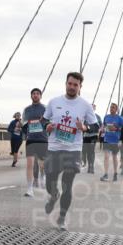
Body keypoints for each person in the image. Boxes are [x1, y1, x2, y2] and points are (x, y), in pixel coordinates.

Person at [43, 72, 97, 231]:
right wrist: (47, 125)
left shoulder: (85, 105)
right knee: (49, 182)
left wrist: (84, 127)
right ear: (65, 83)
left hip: (73, 149)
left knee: (67, 184)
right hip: (54, 148)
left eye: (76, 85)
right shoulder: (54, 102)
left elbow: (95, 126)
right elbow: (44, 120)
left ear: (80, 87)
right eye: (70, 84)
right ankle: (53, 196)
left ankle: (62, 218)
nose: (72, 87)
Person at [22, 88, 47, 197]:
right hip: (31, 139)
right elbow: (24, 124)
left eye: (37, 94)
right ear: (31, 96)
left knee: (42, 164)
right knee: (30, 164)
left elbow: (49, 123)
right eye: (33, 94)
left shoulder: (45, 109)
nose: (35, 95)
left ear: (40, 96)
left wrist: (44, 123)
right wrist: (25, 129)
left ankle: (43, 176)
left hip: (42, 139)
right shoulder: (27, 110)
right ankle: (29, 189)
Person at [98, 102, 123, 182]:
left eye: (113, 107)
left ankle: (115, 173)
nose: (111, 109)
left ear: (116, 109)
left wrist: (116, 129)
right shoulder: (106, 117)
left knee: (114, 157)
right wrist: (102, 129)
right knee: (106, 156)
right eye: (110, 107)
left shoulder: (120, 118)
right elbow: (104, 125)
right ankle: (106, 174)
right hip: (107, 139)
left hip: (115, 140)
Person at [81, 103, 102, 174]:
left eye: (93, 107)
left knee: (91, 151)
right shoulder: (85, 116)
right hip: (86, 136)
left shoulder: (98, 117)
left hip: (93, 136)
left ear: (94, 109)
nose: (92, 109)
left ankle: (91, 166)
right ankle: (87, 164)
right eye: (90, 107)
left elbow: (101, 126)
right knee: (85, 151)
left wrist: (99, 132)